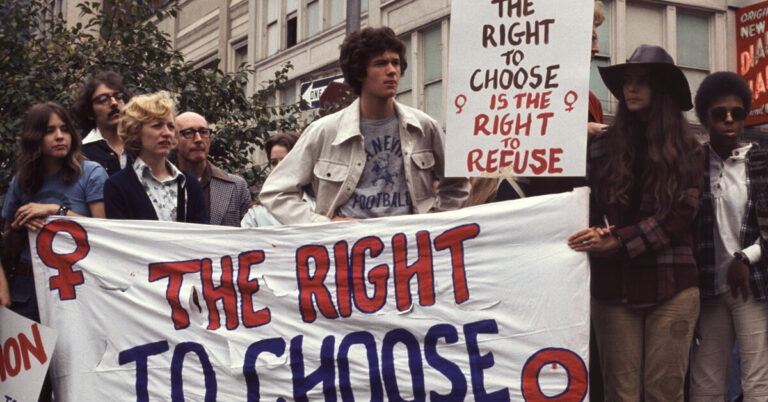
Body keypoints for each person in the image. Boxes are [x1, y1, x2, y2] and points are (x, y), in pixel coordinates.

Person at [567, 45, 703, 401]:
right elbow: (587, 203)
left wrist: (620, 241)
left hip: (671, 282)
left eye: (642, 80)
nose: (631, 87)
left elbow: (679, 215)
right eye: (627, 80)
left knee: (664, 392)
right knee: (620, 393)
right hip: (614, 284)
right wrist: (596, 231)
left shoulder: (689, 149)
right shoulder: (601, 146)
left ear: (662, 89)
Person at [259, 26, 468, 224]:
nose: (392, 71)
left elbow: (457, 183)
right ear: (359, 72)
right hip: (349, 245)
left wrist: (435, 223)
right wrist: (323, 224)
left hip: (409, 244)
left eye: (395, 63)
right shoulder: (325, 131)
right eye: (381, 63)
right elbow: (275, 192)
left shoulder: (424, 127)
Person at [689, 71, 768, 401]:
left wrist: (747, 257)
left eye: (737, 112)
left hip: (752, 287)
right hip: (707, 287)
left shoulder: (761, 160)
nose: (729, 120)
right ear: (705, 117)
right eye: (719, 113)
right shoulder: (692, 163)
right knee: (705, 385)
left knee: (757, 382)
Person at [2, 102, 108, 321]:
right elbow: (8, 247)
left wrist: (56, 211)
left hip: (77, 285)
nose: (60, 136)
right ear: (35, 137)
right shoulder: (21, 181)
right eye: (50, 131)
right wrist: (18, 227)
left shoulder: (91, 173)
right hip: (29, 286)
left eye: (64, 129)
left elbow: (104, 233)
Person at [103, 91, 208, 223]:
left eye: (171, 126)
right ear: (135, 131)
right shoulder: (117, 186)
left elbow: (201, 233)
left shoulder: (190, 184)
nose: (167, 133)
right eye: (157, 126)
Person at [175, 111, 251, 226]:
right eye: (189, 133)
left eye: (203, 132)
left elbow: (250, 233)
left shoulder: (237, 187)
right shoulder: (162, 186)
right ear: (173, 140)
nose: (198, 139)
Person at [241, 132, 315, 227]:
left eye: (285, 161)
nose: (278, 167)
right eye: (274, 162)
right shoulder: (256, 214)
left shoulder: (320, 208)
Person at [73, 71, 131, 176]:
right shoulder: (79, 151)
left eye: (118, 97)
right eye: (103, 100)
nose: (114, 103)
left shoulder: (141, 142)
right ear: (90, 112)